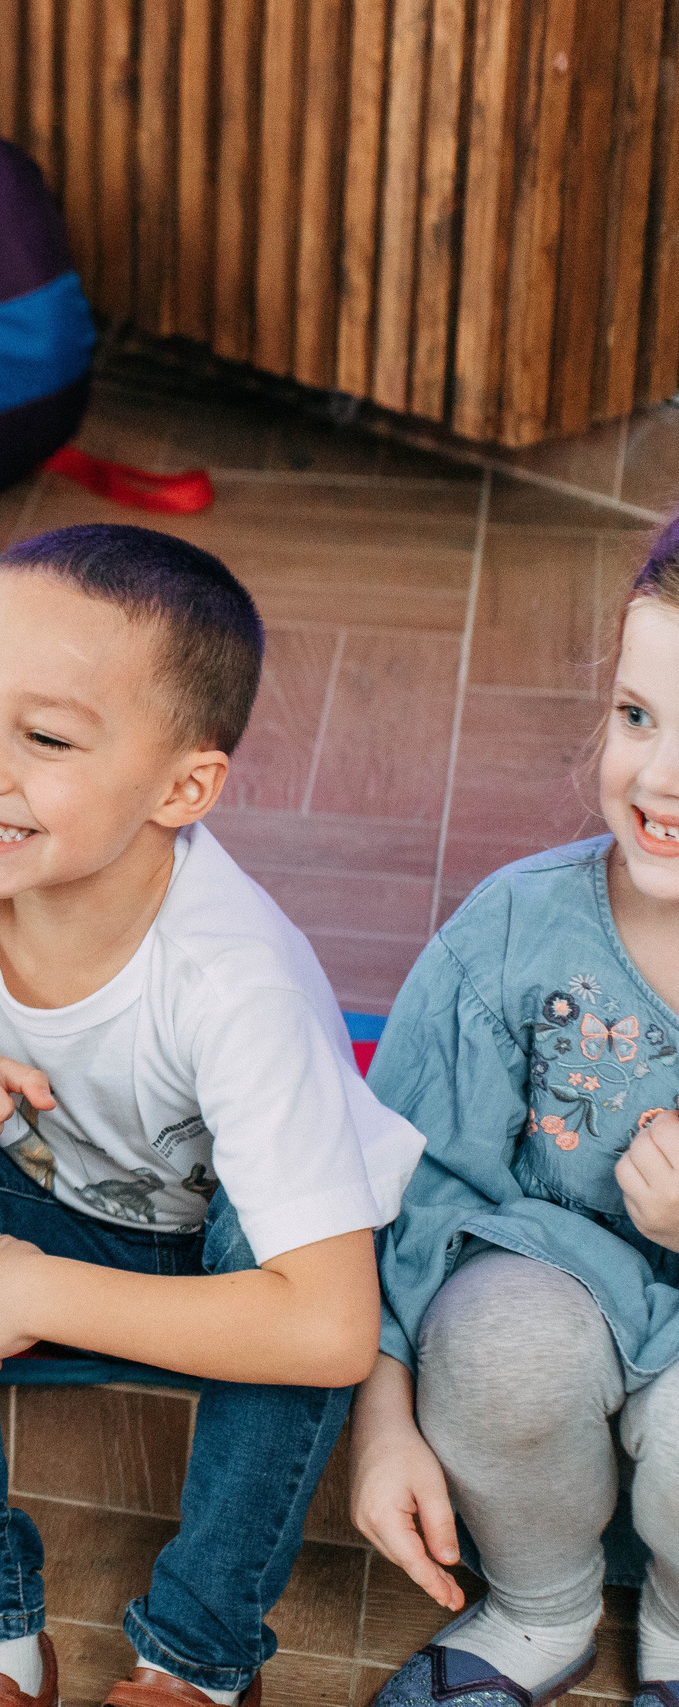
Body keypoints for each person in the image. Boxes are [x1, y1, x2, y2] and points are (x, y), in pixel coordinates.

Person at [0, 523, 422, 1707]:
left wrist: (44, 1295)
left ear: (183, 787)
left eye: (44, 737)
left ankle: (196, 1662)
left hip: (253, 1272)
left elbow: (328, 1333)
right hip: (72, 1220)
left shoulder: (233, 986)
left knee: (274, 1251)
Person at [353, 515, 679, 1707]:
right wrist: (379, 1420)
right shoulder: (512, 932)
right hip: (552, 1297)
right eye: (638, 715)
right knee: (496, 1342)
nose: (656, 779)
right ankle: (540, 1608)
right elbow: (401, 1189)